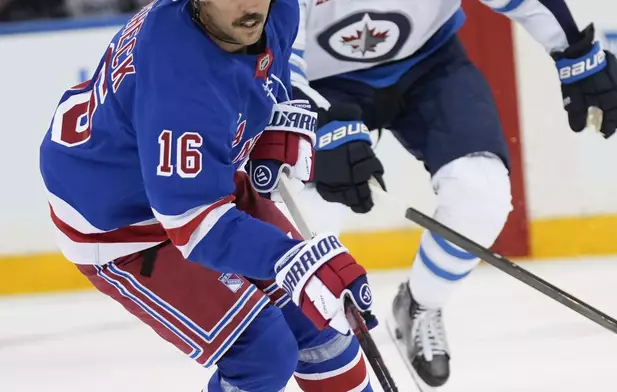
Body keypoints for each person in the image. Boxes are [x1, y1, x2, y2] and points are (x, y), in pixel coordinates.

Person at [250, 0, 617, 387]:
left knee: (482, 192)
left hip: (430, 64)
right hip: (318, 81)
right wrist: (314, 118)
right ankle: (326, 338)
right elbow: (273, 50)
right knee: (310, 218)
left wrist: (576, 50)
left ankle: (420, 305)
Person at [39, 0, 377, 391]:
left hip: (193, 180)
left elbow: (285, 42)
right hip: (119, 221)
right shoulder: (179, 76)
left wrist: (283, 108)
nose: (250, 5)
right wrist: (291, 260)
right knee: (261, 354)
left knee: (321, 323)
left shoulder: (272, 9)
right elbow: (194, 221)